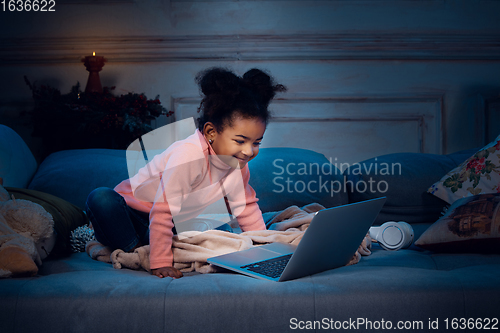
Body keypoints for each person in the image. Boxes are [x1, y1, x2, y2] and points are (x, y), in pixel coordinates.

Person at [85, 67, 286, 279]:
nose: (248, 151)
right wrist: (160, 261)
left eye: (256, 142)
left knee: (223, 232)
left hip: (175, 223)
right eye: (240, 141)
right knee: (101, 198)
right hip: (134, 214)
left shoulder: (237, 164)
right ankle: (139, 250)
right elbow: (162, 210)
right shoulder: (188, 156)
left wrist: (265, 249)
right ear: (210, 133)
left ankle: (151, 244)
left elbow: (245, 207)